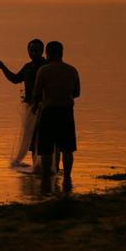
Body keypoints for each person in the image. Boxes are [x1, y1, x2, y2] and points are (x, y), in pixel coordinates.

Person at [31, 41, 80, 189]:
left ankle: (46, 180)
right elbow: (77, 93)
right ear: (62, 53)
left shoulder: (44, 71)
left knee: (46, 149)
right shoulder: (72, 70)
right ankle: (67, 179)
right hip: (66, 112)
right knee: (67, 148)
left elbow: (36, 93)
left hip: (49, 111)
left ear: (47, 53)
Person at [0, 38, 47, 167]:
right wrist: (3, 68)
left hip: (43, 107)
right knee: (31, 137)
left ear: (42, 51)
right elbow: (15, 79)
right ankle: (37, 166)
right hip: (30, 106)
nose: (33, 52)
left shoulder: (46, 66)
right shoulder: (28, 66)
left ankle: (44, 165)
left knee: (41, 136)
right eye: (31, 50)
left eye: (36, 50)